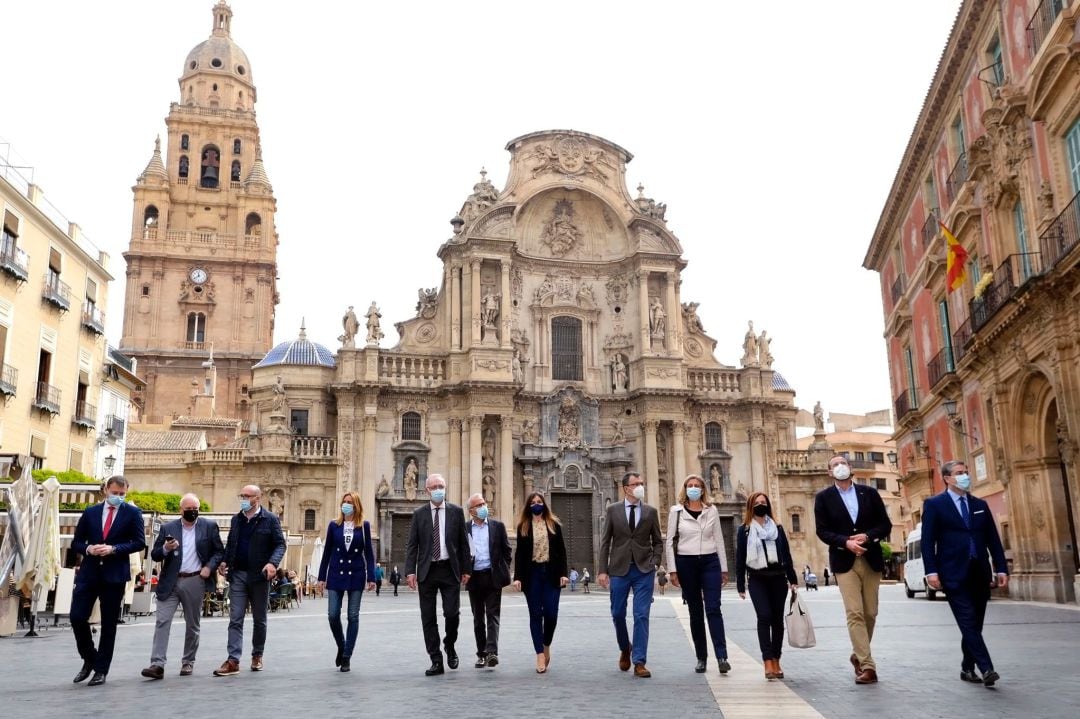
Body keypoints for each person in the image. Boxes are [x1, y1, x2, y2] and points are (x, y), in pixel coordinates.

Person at [922, 460, 1009, 687]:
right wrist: (931, 571)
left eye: (966, 472)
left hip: (980, 572)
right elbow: (927, 542)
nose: (965, 476)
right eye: (959, 473)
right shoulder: (934, 505)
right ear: (947, 478)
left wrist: (1001, 567)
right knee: (967, 621)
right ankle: (987, 668)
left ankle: (967, 667)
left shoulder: (979, 504)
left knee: (975, 624)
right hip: (952, 573)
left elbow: (992, 538)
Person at [814, 454, 893, 685]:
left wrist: (868, 536)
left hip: (871, 558)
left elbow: (885, 525)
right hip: (844, 561)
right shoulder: (823, 498)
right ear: (829, 472)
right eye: (834, 465)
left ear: (850, 468)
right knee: (855, 613)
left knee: (871, 613)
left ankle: (858, 654)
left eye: (843, 463)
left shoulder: (869, 493)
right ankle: (868, 665)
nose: (839, 467)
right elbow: (822, 531)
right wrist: (845, 542)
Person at [70, 475, 147, 686]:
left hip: (115, 574)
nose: (118, 497)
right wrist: (88, 549)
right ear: (106, 490)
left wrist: (114, 549)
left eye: (122, 494)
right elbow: (76, 542)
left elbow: (139, 542)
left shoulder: (133, 513)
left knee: (109, 624)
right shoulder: (90, 512)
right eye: (115, 493)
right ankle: (90, 658)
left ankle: (101, 670)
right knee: (77, 617)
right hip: (89, 572)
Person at [141, 493, 224, 679]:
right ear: (181, 510)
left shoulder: (209, 527)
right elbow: (154, 555)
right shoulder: (168, 528)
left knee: (192, 624)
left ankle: (188, 662)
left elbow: (219, 552)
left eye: (195, 509)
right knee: (162, 621)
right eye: (189, 509)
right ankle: (157, 664)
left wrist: (209, 567)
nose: (192, 512)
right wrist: (165, 549)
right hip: (170, 580)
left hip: (195, 580)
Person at [213, 485, 287, 677]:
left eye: (247, 496)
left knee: (259, 619)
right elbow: (231, 544)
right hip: (238, 575)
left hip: (260, 577)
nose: (244, 498)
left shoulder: (270, 519)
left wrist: (272, 563)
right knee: (235, 618)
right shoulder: (236, 519)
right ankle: (233, 660)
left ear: (258, 498)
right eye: (242, 495)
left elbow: (280, 544)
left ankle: (257, 654)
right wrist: (224, 562)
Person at [598, 471, 664, 678]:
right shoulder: (613, 510)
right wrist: (602, 570)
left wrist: (655, 561)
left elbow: (658, 541)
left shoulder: (651, 512)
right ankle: (625, 647)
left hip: (644, 569)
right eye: (636, 483)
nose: (640, 486)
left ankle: (639, 661)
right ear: (626, 488)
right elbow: (605, 541)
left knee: (641, 615)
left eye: (641, 483)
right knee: (617, 613)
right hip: (619, 569)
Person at [404, 473, 471, 676]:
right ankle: (435, 659)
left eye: (441, 486)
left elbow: (463, 543)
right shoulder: (419, 514)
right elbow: (412, 545)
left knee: (452, 614)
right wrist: (409, 571)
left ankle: (449, 645)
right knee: (428, 617)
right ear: (427, 490)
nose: (438, 490)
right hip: (427, 570)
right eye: (434, 487)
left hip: (449, 569)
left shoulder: (456, 512)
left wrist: (466, 569)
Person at [666, 474, 731, 674]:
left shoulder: (711, 510)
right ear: (685, 489)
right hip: (687, 562)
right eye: (690, 485)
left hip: (710, 561)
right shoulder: (675, 512)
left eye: (697, 486)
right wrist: (673, 570)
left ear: (703, 490)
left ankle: (722, 656)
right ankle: (701, 657)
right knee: (695, 612)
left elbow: (719, 539)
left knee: (713, 608)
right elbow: (669, 541)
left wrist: (723, 568)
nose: (693, 488)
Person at [734, 492, 798, 680]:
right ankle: (767, 660)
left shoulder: (777, 528)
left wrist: (792, 578)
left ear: (768, 505)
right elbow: (740, 559)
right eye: (757, 503)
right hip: (757, 578)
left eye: (763, 502)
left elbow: (786, 553)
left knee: (777, 620)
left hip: (778, 577)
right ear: (750, 506)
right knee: (764, 616)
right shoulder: (744, 530)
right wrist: (740, 584)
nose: (761, 505)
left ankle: (777, 659)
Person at [317, 492, 376, 673]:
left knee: (353, 616)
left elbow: (369, 554)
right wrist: (321, 577)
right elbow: (326, 553)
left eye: (350, 502)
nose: (346, 505)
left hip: (356, 574)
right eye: (344, 502)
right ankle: (342, 645)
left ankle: (347, 656)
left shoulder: (364, 526)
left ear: (356, 505)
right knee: (333, 615)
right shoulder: (334, 525)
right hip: (335, 574)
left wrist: (371, 577)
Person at [512, 492, 569, 674]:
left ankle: (546, 644)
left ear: (544, 504)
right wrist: (518, 577)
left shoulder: (554, 525)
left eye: (539, 502)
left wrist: (563, 574)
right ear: (528, 506)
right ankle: (539, 654)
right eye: (533, 502)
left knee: (551, 614)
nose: (537, 505)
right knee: (535, 614)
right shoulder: (523, 527)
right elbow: (519, 554)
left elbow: (561, 550)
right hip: (532, 575)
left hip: (551, 574)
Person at [465, 493, 512, 669]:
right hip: (474, 577)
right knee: (478, 618)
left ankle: (492, 652)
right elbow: (461, 552)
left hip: (492, 577)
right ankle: (481, 654)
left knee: (493, 615)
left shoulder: (498, 526)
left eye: (483, 503)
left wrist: (502, 569)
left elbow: (507, 551)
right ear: (471, 511)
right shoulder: (465, 529)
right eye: (479, 505)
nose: (483, 506)